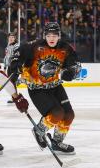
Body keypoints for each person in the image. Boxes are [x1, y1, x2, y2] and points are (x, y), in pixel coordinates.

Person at [10, 22, 81, 155]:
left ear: (59, 36)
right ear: (44, 36)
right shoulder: (34, 46)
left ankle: (57, 143)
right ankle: (39, 131)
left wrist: (70, 72)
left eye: (55, 35)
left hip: (55, 86)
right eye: (49, 35)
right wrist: (16, 67)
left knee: (69, 115)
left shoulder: (66, 48)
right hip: (37, 88)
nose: (52, 38)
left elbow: (75, 65)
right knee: (57, 113)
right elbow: (17, 55)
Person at [4, 32, 19, 104]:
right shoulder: (8, 46)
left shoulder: (16, 46)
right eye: (10, 37)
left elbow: (16, 56)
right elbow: (6, 57)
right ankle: (14, 98)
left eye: (13, 37)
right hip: (9, 67)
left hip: (14, 67)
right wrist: (4, 66)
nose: (11, 38)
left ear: (15, 38)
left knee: (12, 82)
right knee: (11, 83)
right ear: (8, 38)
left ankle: (15, 98)